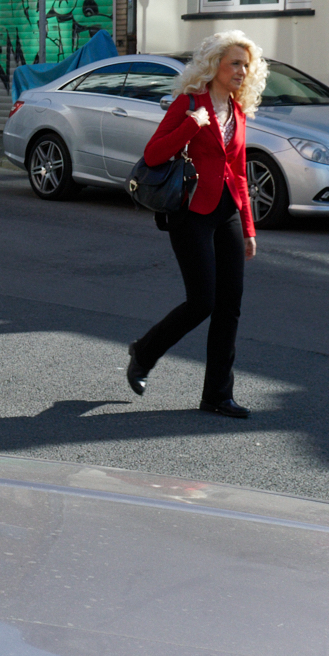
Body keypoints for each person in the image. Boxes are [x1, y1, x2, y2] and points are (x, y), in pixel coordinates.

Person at [126, 31, 261, 418]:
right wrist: (192, 125)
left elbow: (238, 172)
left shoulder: (236, 110)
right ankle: (144, 352)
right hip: (191, 212)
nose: (242, 71)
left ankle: (217, 395)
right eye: (234, 63)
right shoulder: (189, 103)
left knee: (230, 306)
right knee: (202, 302)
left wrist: (249, 228)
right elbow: (153, 154)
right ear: (214, 65)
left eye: (246, 65)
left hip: (227, 210)